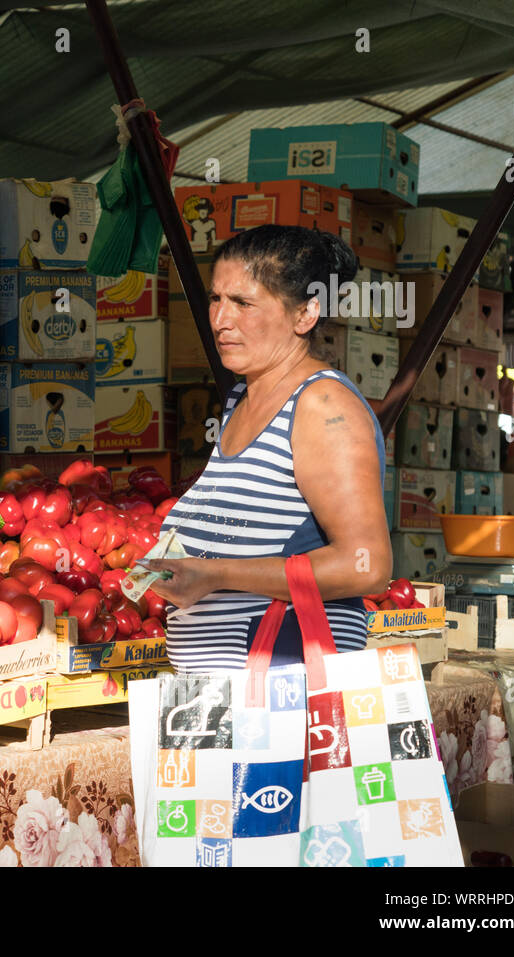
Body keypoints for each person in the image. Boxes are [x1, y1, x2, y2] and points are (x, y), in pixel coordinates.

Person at [143, 225, 392, 671]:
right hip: (229, 706)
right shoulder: (243, 398)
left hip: (289, 698)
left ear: (306, 314)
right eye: (216, 299)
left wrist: (215, 574)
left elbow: (366, 567)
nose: (221, 319)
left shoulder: (322, 406)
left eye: (243, 303)